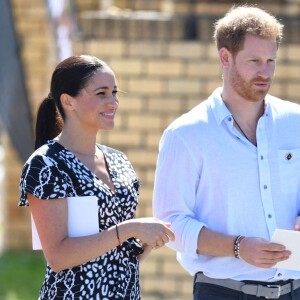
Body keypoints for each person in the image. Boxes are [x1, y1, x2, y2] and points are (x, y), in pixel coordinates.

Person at [153, 5, 300, 300]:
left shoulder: (296, 122)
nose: (265, 72)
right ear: (225, 58)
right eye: (255, 60)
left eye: (271, 60)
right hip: (223, 292)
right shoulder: (185, 135)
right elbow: (170, 225)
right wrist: (238, 246)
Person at [19, 54, 174, 300]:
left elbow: (118, 252)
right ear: (68, 101)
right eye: (101, 93)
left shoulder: (120, 162)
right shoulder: (47, 164)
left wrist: (146, 240)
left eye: (114, 92)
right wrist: (131, 228)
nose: (113, 102)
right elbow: (59, 257)